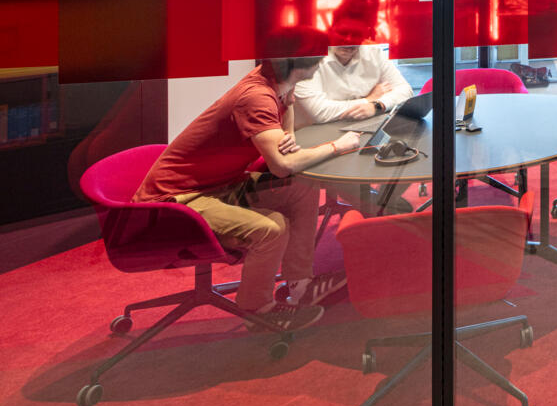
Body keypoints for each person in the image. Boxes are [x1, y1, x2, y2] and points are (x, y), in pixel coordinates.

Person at [133, 28, 363, 330]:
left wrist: (289, 119)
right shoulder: (256, 97)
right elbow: (282, 165)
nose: (321, 63)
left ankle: (300, 284)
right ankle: (258, 309)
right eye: (316, 58)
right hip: (177, 200)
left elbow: (287, 139)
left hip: (221, 184)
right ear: (298, 62)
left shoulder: (276, 83)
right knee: (272, 228)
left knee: (303, 186)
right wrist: (338, 146)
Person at [293, 17, 414, 127]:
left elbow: (405, 90)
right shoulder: (309, 58)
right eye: (343, 33)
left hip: (363, 125)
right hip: (314, 130)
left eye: (356, 35)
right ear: (330, 32)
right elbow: (318, 112)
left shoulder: (374, 53)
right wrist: (369, 99)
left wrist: (377, 105)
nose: (348, 40)